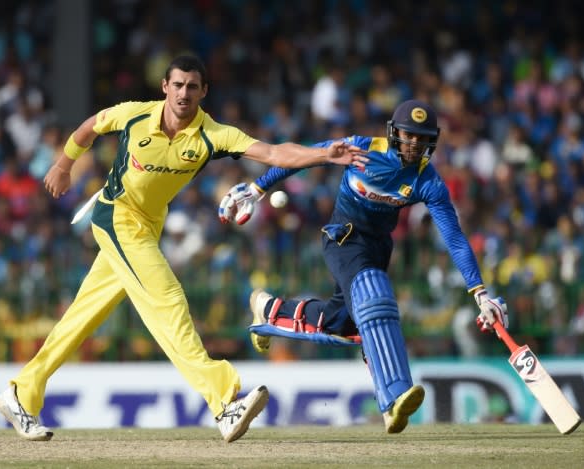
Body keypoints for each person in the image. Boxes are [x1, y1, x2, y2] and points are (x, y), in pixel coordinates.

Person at [0, 55, 368, 442]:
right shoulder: (136, 115)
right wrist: (63, 164)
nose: (183, 93)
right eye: (177, 85)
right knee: (168, 300)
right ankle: (224, 401)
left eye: (192, 86)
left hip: (148, 226)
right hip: (116, 217)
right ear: (164, 87)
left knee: (83, 316)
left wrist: (324, 154)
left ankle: (22, 391)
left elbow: (273, 153)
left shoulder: (213, 134)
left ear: (203, 92)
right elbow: (91, 126)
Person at [218, 99, 509, 434]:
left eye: (422, 137)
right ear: (394, 132)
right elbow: (297, 158)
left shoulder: (427, 181)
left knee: (341, 324)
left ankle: (268, 310)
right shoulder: (360, 148)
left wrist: (481, 294)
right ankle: (394, 397)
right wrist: (257, 188)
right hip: (343, 237)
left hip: (377, 248)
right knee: (375, 297)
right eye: (408, 135)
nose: (414, 144)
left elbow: (454, 238)